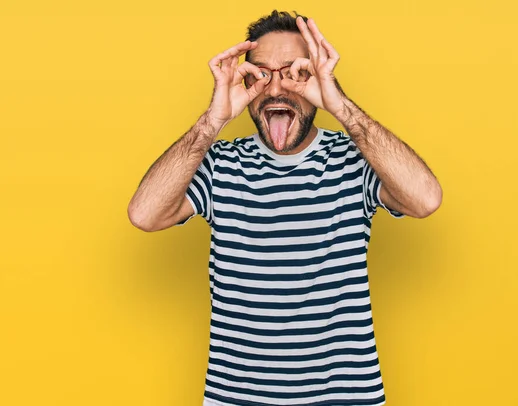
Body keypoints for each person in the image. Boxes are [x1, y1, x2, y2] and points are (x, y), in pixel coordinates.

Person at [128, 10, 442, 406]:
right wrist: (212, 121)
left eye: (294, 72)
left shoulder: (354, 160)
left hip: (346, 398)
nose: (276, 89)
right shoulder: (221, 164)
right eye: (261, 74)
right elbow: (144, 215)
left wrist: (340, 104)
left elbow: (426, 199)